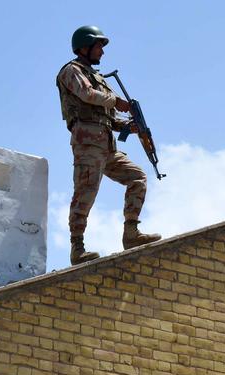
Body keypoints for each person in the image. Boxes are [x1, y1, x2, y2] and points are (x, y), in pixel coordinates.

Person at [56, 25, 161, 265]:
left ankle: (131, 233)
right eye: (98, 47)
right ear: (84, 47)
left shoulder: (99, 79)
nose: (102, 53)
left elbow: (110, 117)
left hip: (107, 145)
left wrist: (129, 126)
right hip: (87, 144)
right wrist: (116, 101)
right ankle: (77, 247)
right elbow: (86, 95)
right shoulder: (71, 71)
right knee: (86, 192)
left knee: (137, 177)